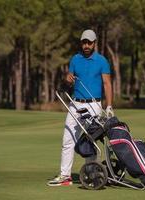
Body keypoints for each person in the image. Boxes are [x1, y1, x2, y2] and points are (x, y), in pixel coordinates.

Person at [47, 29, 114, 186]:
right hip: (75, 104)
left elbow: (107, 84)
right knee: (68, 139)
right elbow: (69, 80)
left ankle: (92, 174)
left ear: (94, 43)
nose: (86, 45)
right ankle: (65, 176)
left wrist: (109, 105)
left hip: (94, 104)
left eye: (89, 42)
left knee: (90, 140)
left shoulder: (102, 61)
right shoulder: (75, 59)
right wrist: (67, 78)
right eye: (84, 42)